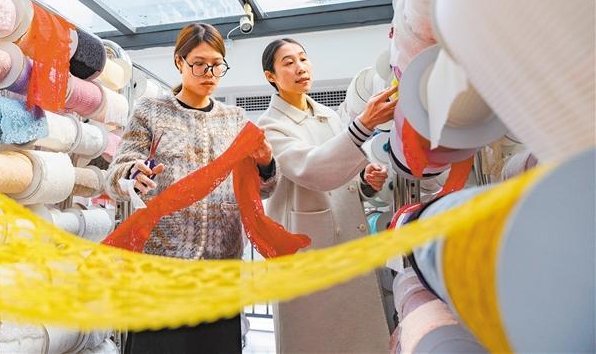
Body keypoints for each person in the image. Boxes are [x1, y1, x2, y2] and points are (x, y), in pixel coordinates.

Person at [105, 23, 277, 354]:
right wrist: (132, 174)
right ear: (179, 62)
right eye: (199, 64)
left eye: (216, 65)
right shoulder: (151, 112)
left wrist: (266, 164)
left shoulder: (234, 119)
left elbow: (262, 191)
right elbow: (116, 175)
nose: (209, 73)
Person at [258, 38, 396, 353]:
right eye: (288, 62)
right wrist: (364, 124)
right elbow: (313, 169)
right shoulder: (270, 127)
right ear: (271, 76)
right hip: (308, 252)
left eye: (303, 59)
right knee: (314, 338)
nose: (300, 68)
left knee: (358, 338)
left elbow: (340, 177)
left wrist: (364, 182)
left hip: (346, 242)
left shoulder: (328, 116)